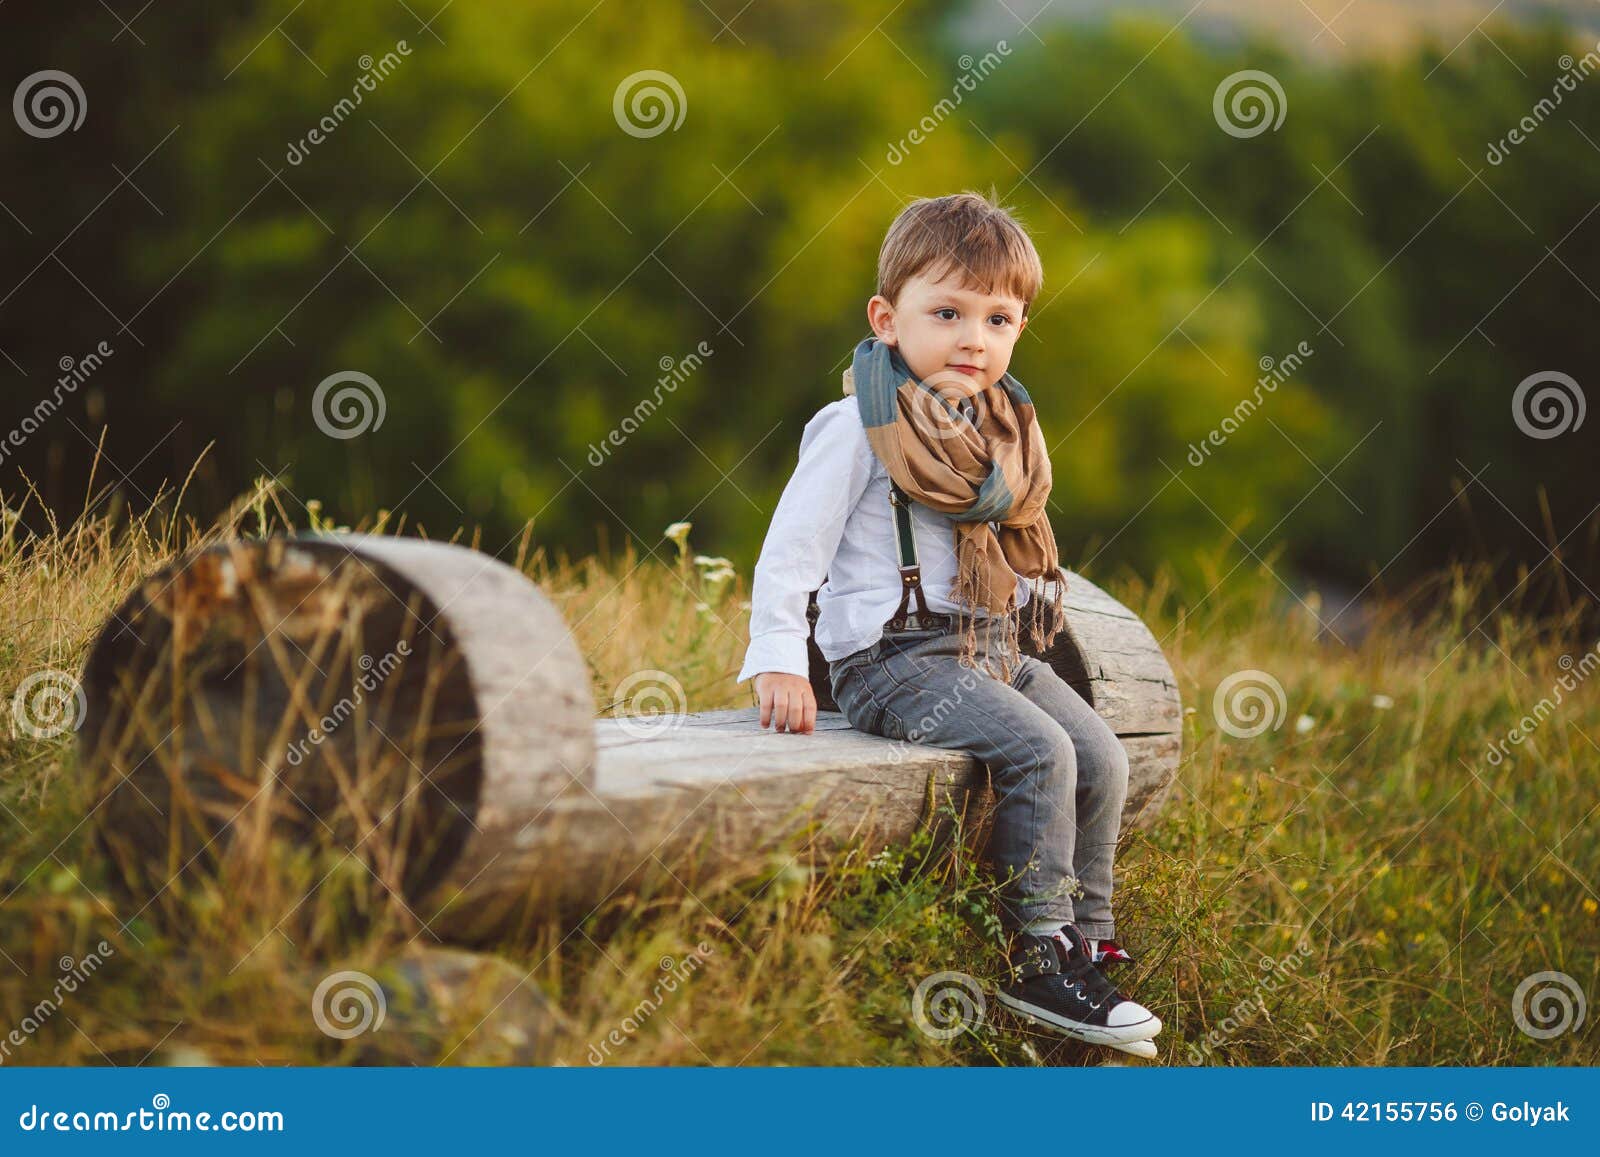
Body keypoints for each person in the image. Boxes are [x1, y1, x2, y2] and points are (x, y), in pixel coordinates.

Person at [735, 191, 1161, 1053]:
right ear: (887, 320)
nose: (975, 338)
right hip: (893, 660)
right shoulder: (860, 426)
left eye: (998, 318)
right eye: (948, 312)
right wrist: (778, 655)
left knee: (1102, 753)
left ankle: (1089, 929)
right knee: (1041, 751)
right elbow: (793, 546)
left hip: (988, 647)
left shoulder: (1002, 433)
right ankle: (1037, 952)